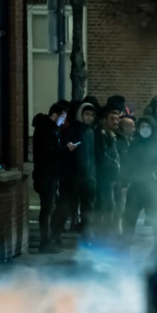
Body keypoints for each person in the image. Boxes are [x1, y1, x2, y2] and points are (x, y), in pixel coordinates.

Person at [121, 116, 157, 249]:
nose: (145, 129)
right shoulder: (135, 143)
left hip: (153, 188)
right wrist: (125, 182)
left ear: (153, 127)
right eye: (142, 126)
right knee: (129, 218)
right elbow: (128, 163)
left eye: (148, 126)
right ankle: (125, 245)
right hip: (136, 187)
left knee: (156, 220)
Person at [53, 101, 98, 245]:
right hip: (73, 176)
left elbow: (91, 155)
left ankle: (85, 234)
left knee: (87, 207)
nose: (89, 118)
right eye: (87, 114)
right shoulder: (74, 129)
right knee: (65, 206)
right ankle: (55, 234)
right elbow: (69, 153)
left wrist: (92, 174)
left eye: (92, 115)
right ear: (81, 114)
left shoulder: (90, 131)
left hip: (87, 177)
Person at [32, 102, 68, 253]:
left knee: (49, 208)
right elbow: (48, 152)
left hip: (49, 174)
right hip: (46, 175)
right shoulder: (46, 129)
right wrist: (66, 149)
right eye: (63, 117)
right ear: (56, 114)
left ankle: (47, 241)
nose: (63, 121)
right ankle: (45, 243)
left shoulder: (50, 128)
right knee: (47, 209)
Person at [95, 107, 123, 237]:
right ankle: (105, 234)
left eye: (117, 119)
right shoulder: (101, 135)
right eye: (112, 119)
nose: (116, 122)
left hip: (114, 176)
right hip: (105, 176)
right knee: (108, 205)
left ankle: (110, 232)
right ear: (103, 120)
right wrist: (115, 164)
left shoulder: (114, 135)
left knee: (117, 203)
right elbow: (103, 155)